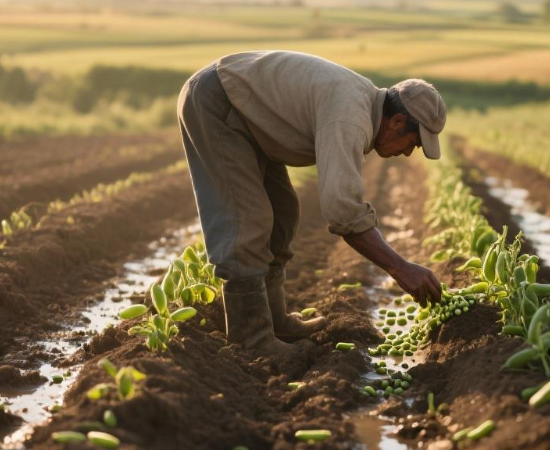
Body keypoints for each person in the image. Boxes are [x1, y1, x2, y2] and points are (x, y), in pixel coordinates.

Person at [177, 50, 447, 354]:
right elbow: (343, 211)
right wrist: (401, 268)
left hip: (247, 114)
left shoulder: (360, 108)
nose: (408, 153)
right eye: (413, 143)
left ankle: (275, 320)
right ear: (398, 121)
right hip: (221, 102)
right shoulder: (351, 117)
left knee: (283, 213)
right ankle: (251, 338)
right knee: (247, 221)